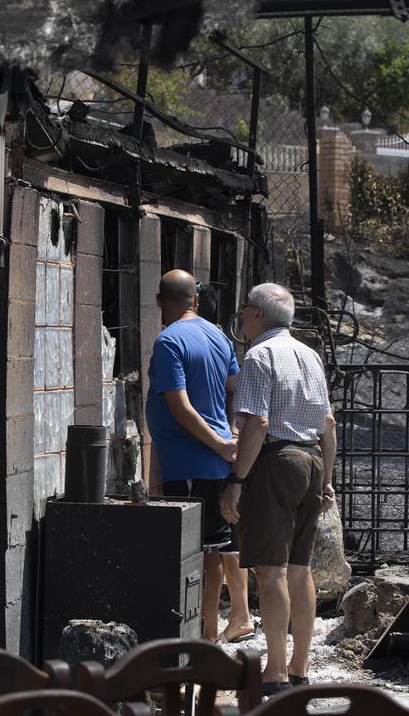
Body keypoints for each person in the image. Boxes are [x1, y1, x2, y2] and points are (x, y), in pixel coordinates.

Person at [220, 283, 335, 697]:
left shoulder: (260, 355)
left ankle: (275, 670)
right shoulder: (309, 355)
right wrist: (328, 480)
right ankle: (300, 666)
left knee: (271, 572)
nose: (244, 315)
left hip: (276, 462)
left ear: (256, 314)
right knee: (301, 570)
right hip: (312, 460)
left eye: (246, 307)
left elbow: (258, 424)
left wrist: (235, 481)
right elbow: (329, 425)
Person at [146, 269, 253, 643]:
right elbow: (236, 388)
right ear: (194, 299)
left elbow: (181, 407)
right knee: (217, 548)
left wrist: (221, 444)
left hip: (193, 462)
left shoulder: (168, 341)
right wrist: (233, 432)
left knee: (200, 551)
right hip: (213, 461)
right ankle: (210, 628)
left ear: (160, 302)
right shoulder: (219, 335)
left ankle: (203, 633)